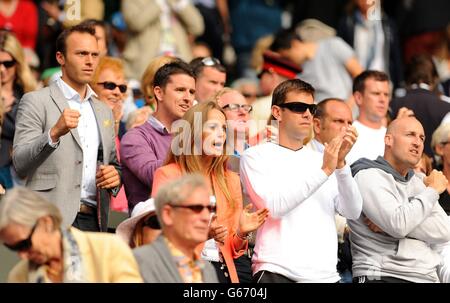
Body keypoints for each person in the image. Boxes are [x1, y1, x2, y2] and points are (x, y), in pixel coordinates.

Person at [240, 79, 362, 283]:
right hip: (277, 272)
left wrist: (341, 166)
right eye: (298, 107)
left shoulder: (323, 160)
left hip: (326, 276)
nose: (307, 114)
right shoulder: (255, 156)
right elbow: (274, 207)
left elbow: (352, 211)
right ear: (277, 113)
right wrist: (325, 170)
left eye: (311, 108)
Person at [13, 24, 121, 232]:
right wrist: (53, 134)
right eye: (81, 54)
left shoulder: (104, 111)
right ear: (60, 58)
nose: (90, 61)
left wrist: (115, 177)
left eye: (94, 54)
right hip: (49, 218)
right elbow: (20, 163)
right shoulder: (35, 101)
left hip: (95, 221)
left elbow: (114, 165)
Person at [151, 101, 269, 283]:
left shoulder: (231, 179)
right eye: (213, 127)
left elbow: (232, 248)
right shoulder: (168, 175)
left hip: (223, 270)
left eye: (223, 128)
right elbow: (160, 235)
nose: (221, 134)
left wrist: (242, 232)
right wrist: (204, 234)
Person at [349, 117, 450, 283]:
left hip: (426, 276)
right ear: (388, 139)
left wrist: (391, 223)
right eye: (410, 134)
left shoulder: (419, 182)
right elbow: (398, 224)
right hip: (383, 275)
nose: (417, 142)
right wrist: (432, 192)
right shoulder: (368, 175)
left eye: (422, 138)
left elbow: (444, 230)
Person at [0, 187, 143, 283]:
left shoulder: (109, 250)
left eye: (24, 244)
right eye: (14, 248)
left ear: (46, 223)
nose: (22, 255)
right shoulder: (19, 276)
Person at [120, 61, 195, 211]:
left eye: (192, 92)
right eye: (180, 90)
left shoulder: (194, 137)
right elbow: (156, 176)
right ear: (159, 93)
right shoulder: (135, 138)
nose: (188, 98)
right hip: (152, 227)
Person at [133, 174, 219, 283]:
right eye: (196, 208)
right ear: (168, 214)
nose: (206, 217)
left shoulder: (207, 269)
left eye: (210, 209)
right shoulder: (138, 261)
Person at [269, 29, 363, 103]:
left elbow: (360, 75)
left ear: (295, 44)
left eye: (288, 57)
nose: (288, 61)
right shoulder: (298, 74)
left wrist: (350, 104)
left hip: (348, 110)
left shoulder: (333, 45)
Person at [121, 0, 204, 80]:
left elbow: (197, 27)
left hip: (179, 59)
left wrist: (180, 3)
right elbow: (135, 24)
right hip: (145, 63)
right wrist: (159, 2)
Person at [390, 55, 450, 158]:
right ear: (434, 78)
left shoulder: (393, 104)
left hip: (401, 168)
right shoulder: (446, 105)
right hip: (436, 169)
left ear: (407, 77)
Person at [90, 56, 128, 213]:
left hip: (117, 212)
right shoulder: (85, 123)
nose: (117, 92)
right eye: (110, 86)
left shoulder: (121, 127)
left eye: (122, 88)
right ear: (91, 87)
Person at [0, 30, 37, 190]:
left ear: (18, 63)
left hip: (22, 174)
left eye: (8, 64)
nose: (2, 70)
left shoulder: (28, 94)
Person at [346, 70, 390, 165]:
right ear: (358, 98)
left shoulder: (393, 137)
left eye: (386, 94)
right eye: (376, 93)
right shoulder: (347, 135)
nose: (383, 99)